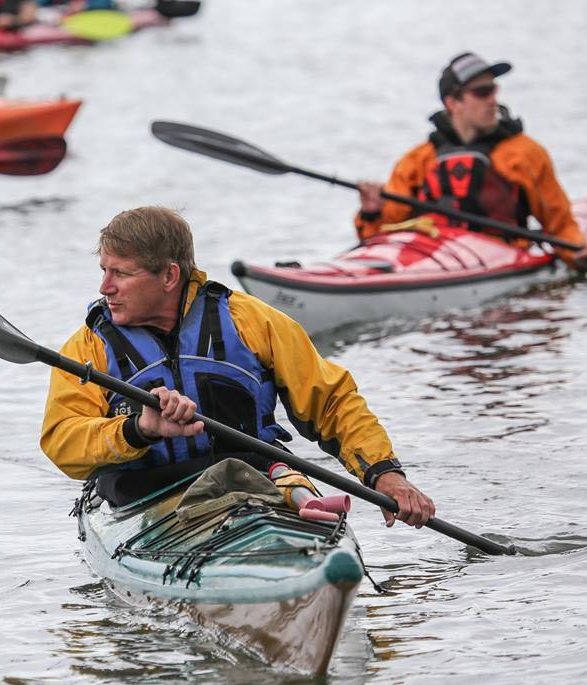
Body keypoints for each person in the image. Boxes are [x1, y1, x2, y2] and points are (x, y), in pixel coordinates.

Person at [40, 206, 436, 529]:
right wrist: (138, 428)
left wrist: (385, 473)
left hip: (256, 479)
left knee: (264, 468)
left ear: (169, 276)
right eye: (104, 271)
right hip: (143, 493)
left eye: (121, 273)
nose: (105, 287)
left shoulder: (250, 321)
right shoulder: (88, 347)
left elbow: (330, 402)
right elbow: (63, 440)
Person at [355, 52, 587, 271]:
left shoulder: (524, 153)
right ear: (452, 103)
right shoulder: (417, 160)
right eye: (482, 92)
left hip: (501, 256)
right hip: (431, 254)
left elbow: (559, 223)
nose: (493, 100)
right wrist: (371, 213)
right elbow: (379, 234)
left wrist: (576, 254)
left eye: (494, 90)